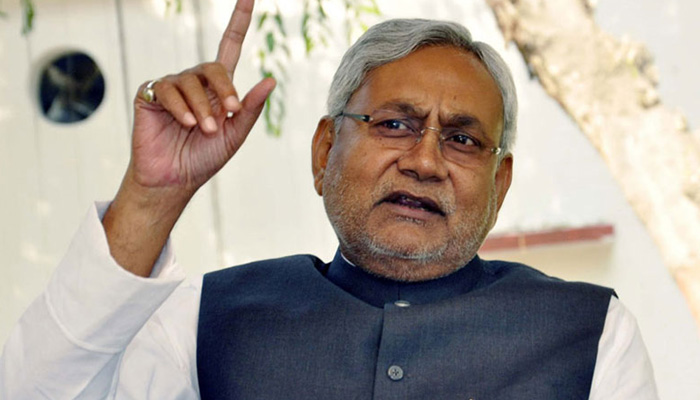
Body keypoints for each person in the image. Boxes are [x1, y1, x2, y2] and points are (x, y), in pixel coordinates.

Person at [0, 0, 658, 398]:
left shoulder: (590, 336)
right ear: (323, 153)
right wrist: (151, 197)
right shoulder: (206, 322)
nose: (424, 161)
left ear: (500, 184)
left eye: (462, 139)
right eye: (393, 123)